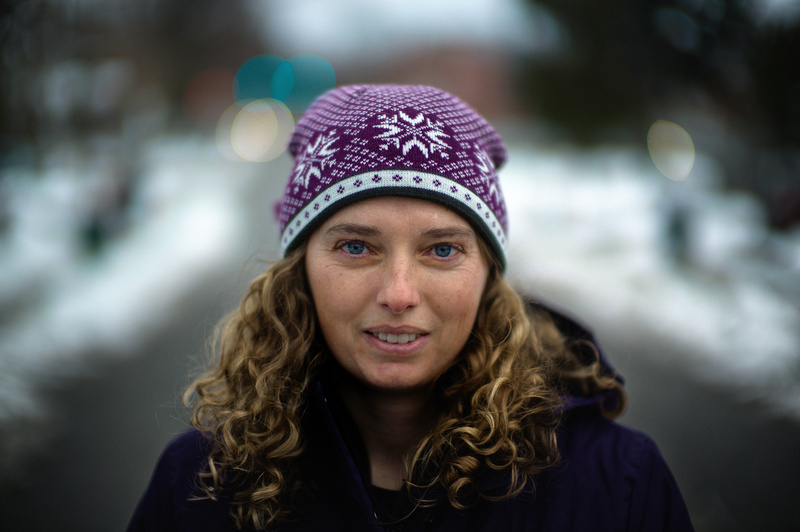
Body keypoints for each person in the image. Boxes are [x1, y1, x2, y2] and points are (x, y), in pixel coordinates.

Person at [127, 84, 694, 531]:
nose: (399, 293)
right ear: (299, 270)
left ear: (487, 272)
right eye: (356, 247)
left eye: (442, 249)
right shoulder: (199, 487)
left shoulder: (619, 486)